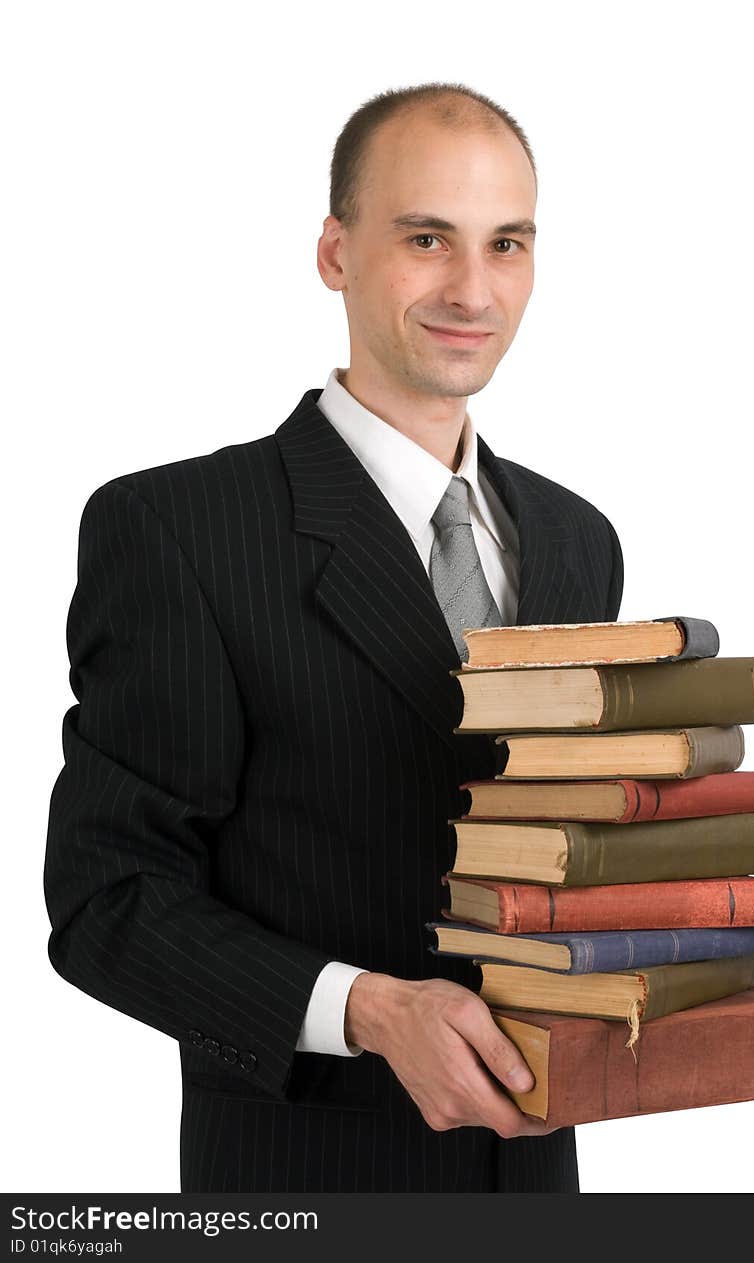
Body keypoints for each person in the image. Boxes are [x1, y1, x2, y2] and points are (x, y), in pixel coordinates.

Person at [43, 81, 623, 1193]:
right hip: (305, 1179)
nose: (471, 288)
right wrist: (365, 1009)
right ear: (334, 252)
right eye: (424, 238)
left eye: (507, 244)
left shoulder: (574, 539)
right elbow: (107, 901)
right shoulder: (178, 530)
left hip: (540, 1179)